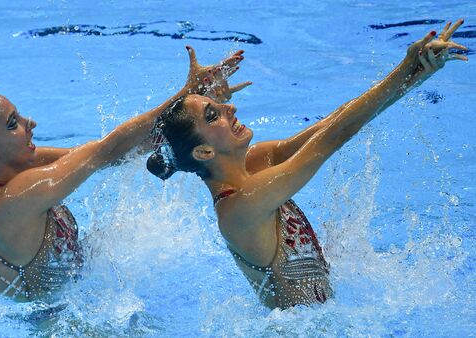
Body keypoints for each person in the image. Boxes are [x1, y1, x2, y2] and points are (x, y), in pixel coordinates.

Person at [146, 20, 468, 309]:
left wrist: (418, 72)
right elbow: (334, 137)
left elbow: (334, 122)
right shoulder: (237, 212)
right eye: (213, 115)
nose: (229, 108)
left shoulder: (257, 161)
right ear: (203, 153)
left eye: (219, 104)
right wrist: (405, 67)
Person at [0, 46, 251, 302]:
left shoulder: (23, 166)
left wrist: (194, 121)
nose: (30, 123)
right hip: (55, 322)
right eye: (13, 123)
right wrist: (184, 98)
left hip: (75, 298)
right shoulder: (13, 199)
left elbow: (115, 154)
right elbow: (104, 152)